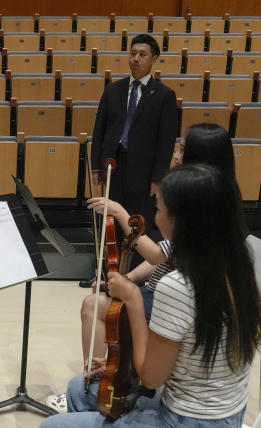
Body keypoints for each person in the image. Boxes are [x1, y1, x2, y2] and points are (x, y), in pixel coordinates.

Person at [38, 163, 261, 428]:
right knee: (80, 389)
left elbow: (150, 376)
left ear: (182, 219)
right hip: (222, 417)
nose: (155, 217)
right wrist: (113, 365)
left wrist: (137, 301)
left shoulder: (181, 286)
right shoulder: (234, 264)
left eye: (159, 208)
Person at [48, 123, 240, 412]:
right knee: (98, 302)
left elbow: (155, 255)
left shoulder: (204, 206)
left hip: (181, 305)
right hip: (166, 293)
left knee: (93, 306)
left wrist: (121, 214)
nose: (175, 155)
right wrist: (127, 279)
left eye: (182, 149)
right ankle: (99, 382)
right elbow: (165, 256)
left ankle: (97, 389)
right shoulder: (208, 196)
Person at [84, 33, 177, 287]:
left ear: (154, 59)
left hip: (144, 173)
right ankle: (105, 273)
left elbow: (166, 141)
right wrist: (96, 165)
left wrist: (159, 178)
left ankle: (133, 277)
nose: (136, 59)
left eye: (142, 54)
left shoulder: (164, 96)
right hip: (113, 168)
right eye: (133, 53)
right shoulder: (113, 90)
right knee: (110, 223)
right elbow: (99, 130)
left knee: (137, 223)